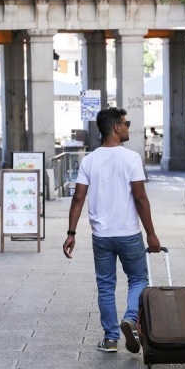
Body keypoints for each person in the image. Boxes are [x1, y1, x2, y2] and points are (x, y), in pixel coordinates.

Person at [62, 107, 161, 354]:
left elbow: (78, 199)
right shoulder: (131, 158)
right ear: (116, 127)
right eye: (126, 123)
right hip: (128, 233)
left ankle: (110, 339)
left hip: (102, 236)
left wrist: (71, 233)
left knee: (106, 286)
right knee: (138, 279)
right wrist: (151, 233)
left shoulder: (90, 160)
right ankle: (130, 319)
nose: (128, 127)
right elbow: (140, 198)